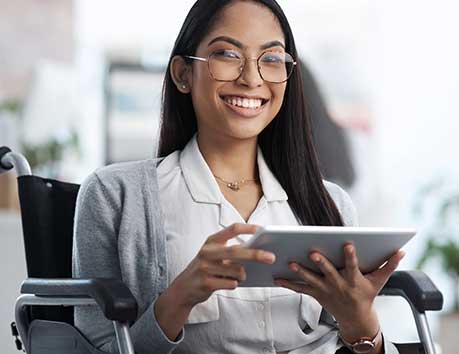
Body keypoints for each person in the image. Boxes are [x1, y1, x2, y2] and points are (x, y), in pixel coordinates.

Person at [73, 1, 405, 353]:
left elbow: (359, 342)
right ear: (183, 74)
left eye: (272, 58)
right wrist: (179, 298)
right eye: (228, 54)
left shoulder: (330, 203)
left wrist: (361, 326)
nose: (251, 78)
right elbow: (90, 349)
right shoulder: (115, 195)